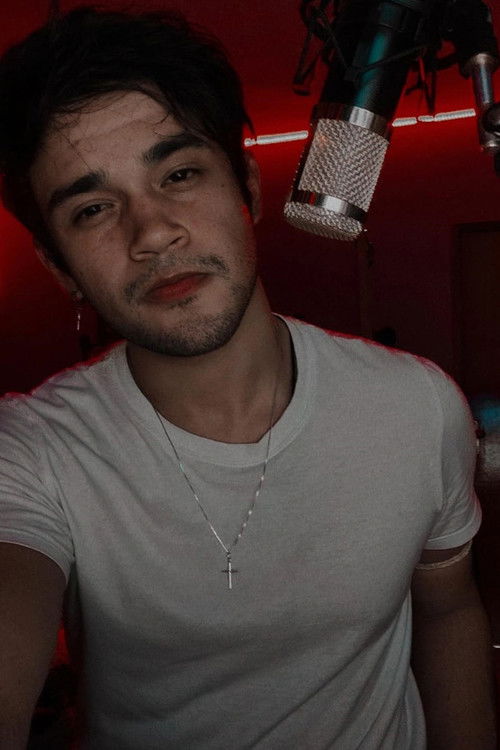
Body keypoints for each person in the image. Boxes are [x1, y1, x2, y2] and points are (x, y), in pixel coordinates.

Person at [0, 7, 495, 750]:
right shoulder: (33, 449)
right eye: (94, 208)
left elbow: (448, 608)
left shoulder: (418, 405)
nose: (153, 232)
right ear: (58, 266)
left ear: (250, 190)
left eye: (179, 174)